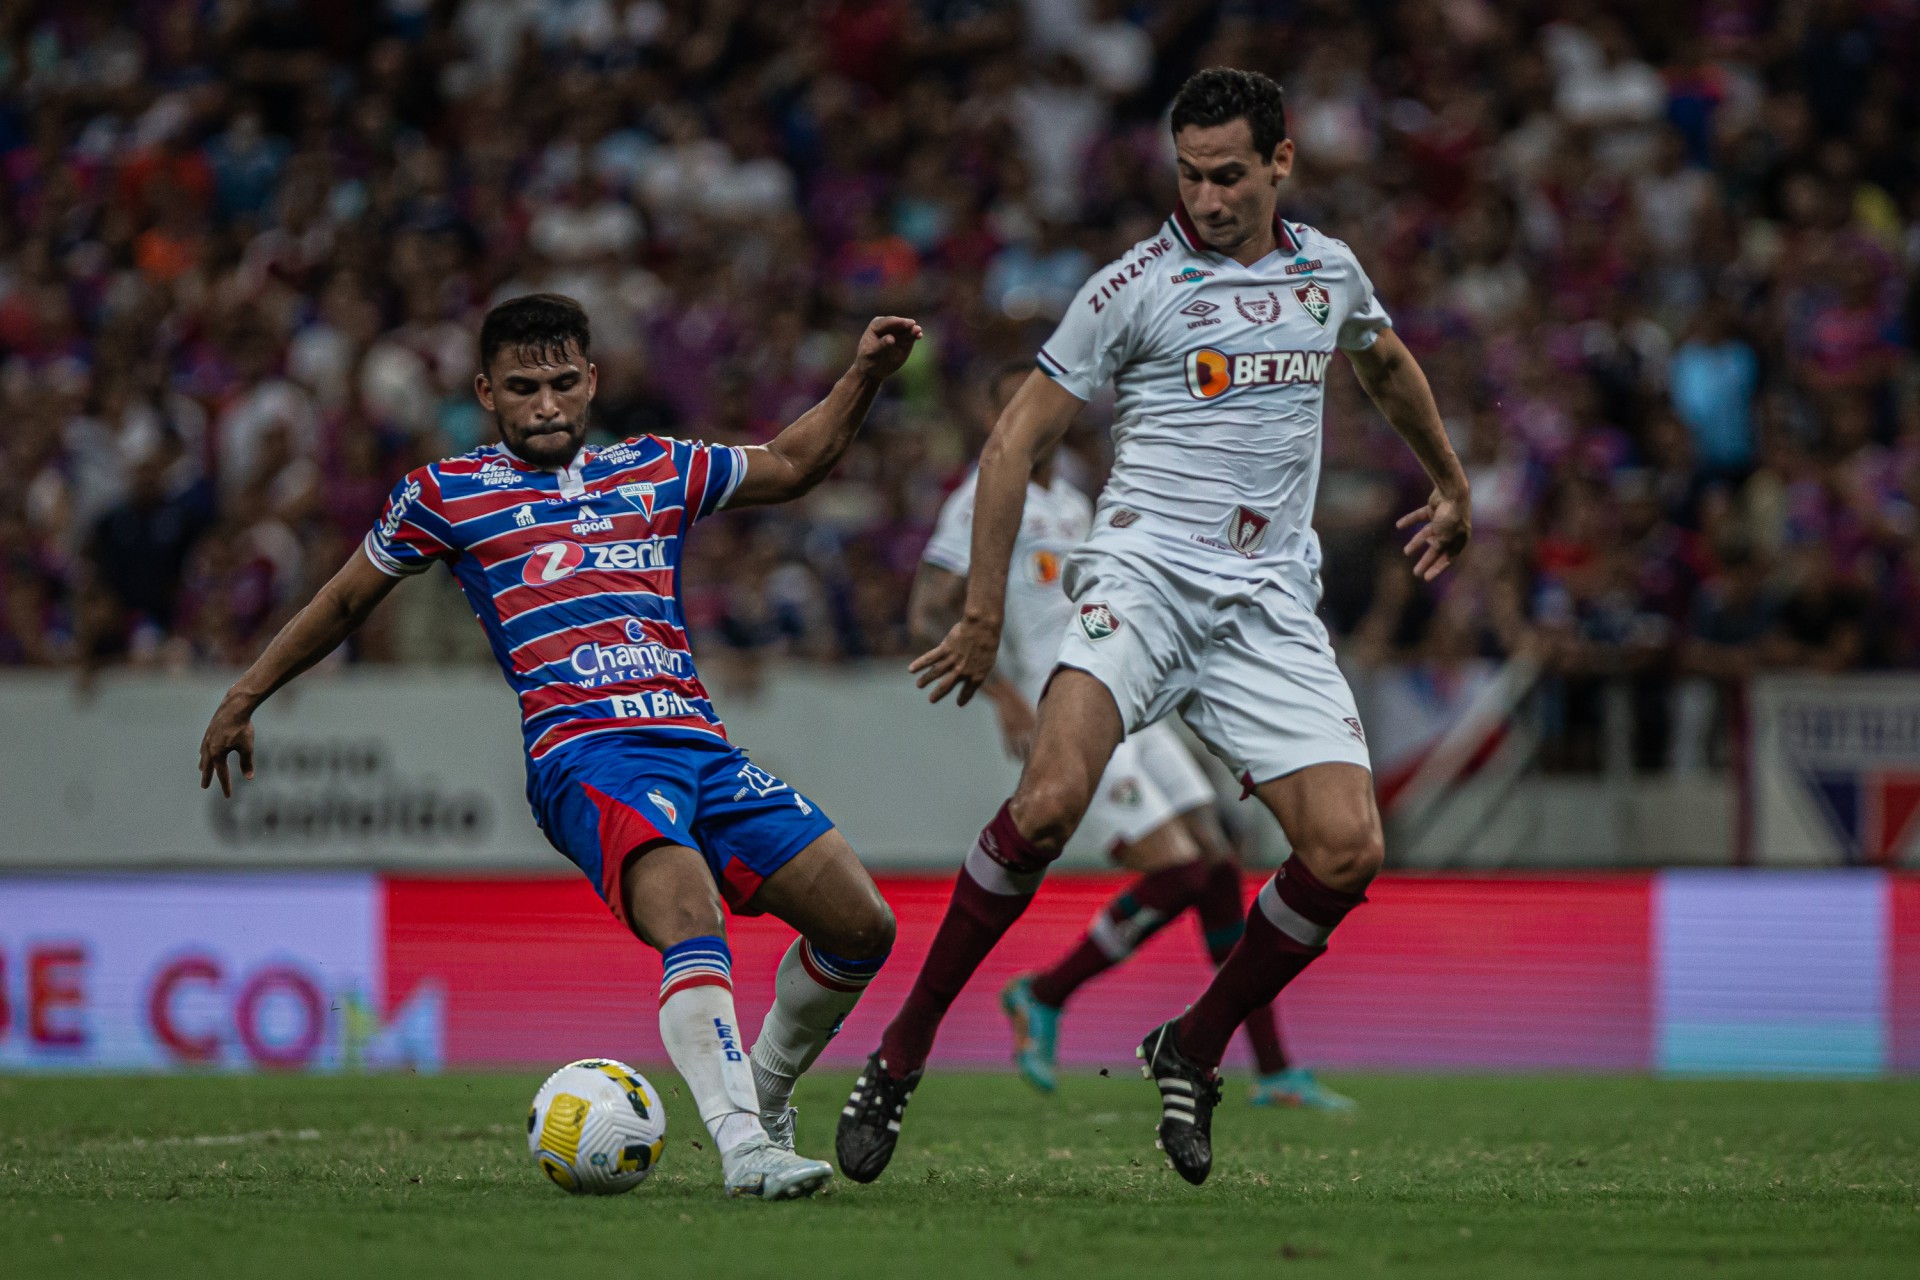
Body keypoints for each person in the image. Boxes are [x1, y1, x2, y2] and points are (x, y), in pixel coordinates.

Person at [839, 69, 1469, 1186]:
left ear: (1282, 163)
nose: (1208, 196)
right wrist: (984, 612)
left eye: (1230, 175)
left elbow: (1382, 360)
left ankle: (1193, 1041)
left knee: (1348, 849)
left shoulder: (1331, 272)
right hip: (1143, 578)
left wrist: (1449, 482)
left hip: (1269, 599)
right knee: (1045, 802)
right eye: (1190, 174)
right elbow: (1009, 444)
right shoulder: (1132, 284)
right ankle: (901, 1050)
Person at [199, 293, 921, 1201]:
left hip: (699, 744)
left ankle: (767, 1092)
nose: (546, 405)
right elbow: (346, 599)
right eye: (523, 388)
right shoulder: (443, 493)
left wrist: (863, 375)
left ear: (592, 381)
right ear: (486, 394)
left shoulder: (656, 466)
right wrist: (246, 691)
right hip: (587, 755)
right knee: (690, 915)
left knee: (863, 926)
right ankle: (744, 1148)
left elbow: (792, 462)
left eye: (563, 384)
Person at [921, 362, 1355, 1109]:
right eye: (1017, 398)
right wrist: (998, 693)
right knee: (1180, 869)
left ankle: (1275, 1069)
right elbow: (927, 610)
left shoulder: (1074, 495)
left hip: (1131, 688)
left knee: (1217, 865)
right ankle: (1045, 993)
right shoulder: (979, 501)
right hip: (1065, 709)